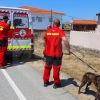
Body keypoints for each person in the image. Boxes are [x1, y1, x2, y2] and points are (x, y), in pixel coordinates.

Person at [43, 19, 72, 89]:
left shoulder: (48, 32)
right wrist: (69, 49)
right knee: (56, 69)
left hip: (48, 53)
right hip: (57, 54)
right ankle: (56, 83)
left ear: (53, 24)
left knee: (47, 67)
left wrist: (45, 49)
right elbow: (65, 40)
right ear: (59, 25)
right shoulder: (60, 31)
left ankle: (45, 82)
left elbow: (44, 42)